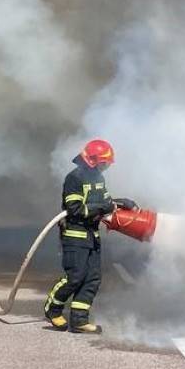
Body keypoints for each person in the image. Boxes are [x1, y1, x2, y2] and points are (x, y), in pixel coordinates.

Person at [43, 139, 135, 333]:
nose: (107, 166)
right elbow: (75, 209)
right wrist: (104, 207)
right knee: (75, 277)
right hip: (75, 236)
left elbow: (105, 202)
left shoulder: (99, 179)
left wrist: (120, 203)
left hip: (92, 236)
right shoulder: (74, 178)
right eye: (104, 162)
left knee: (92, 278)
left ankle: (79, 321)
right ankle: (53, 309)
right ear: (93, 160)